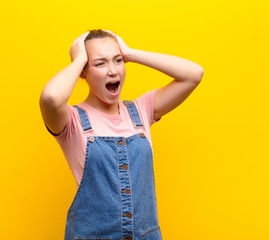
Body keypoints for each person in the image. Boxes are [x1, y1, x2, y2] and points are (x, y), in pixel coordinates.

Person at [39, 29, 204, 240]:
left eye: (117, 61)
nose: (113, 71)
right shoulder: (71, 121)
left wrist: (130, 52)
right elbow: (51, 98)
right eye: (100, 64)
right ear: (83, 71)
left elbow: (194, 74)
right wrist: (79, 59)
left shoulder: (142, 110)